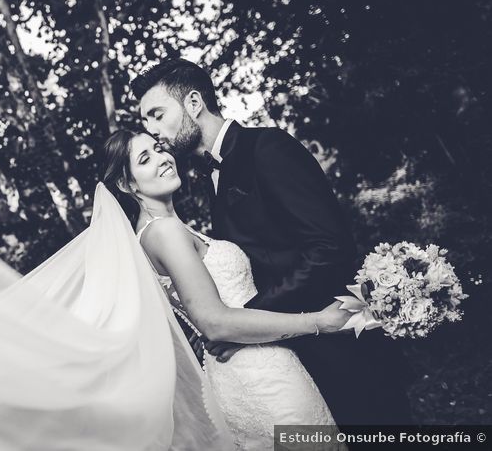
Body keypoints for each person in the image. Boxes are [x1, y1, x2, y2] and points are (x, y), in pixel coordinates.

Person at [131, 57, 413, 426]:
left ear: (194, 103)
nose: (154, 131)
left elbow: (328, 247)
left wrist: (244, 319)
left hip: (345, 350)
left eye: (156, 114)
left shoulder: (266, 147)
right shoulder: (209, 178)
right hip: (293, 360)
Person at [103, 129, 349, 450]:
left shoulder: (162, 231)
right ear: (127, 184)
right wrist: (318, 322)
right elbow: (214, 322)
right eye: (145, 159)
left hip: (249, 371)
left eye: (160, 149)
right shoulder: (163, 233)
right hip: (261, 377)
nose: (163, 158)